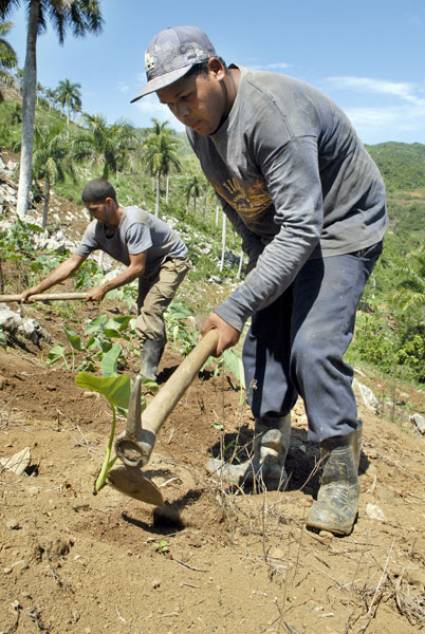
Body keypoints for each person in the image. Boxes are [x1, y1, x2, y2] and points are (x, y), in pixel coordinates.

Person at [132, 26, 388, 536]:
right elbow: (243, 209)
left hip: (340, 225)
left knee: (312, 347)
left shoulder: (273, 116)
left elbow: (305, 228)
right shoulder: (200, 131)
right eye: (169, 104)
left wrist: (235, 304)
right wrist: (255, 281)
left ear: (216, 69)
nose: (182, 112)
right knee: (265, 342)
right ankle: (269, 453)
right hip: (286, 230)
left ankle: (338, 473)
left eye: (186, 96)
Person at [21, 179, 190, 380]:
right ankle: (153, 360)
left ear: (109, 202)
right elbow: (72, 263)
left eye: (95, 209)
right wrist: (37, 289)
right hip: (148, 264)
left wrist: (104, 288)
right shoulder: (96, 230)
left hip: (170, 260)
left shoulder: (134, 222)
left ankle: (147, 376)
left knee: (151, 309)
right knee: (145, 311)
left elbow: (137, 267)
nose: (92, 215)